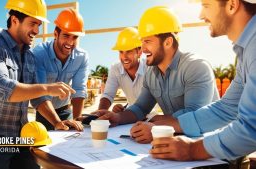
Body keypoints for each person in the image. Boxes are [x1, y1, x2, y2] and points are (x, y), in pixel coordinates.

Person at [0, 0, 83, 169]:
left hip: (21, 134)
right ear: (15, 20)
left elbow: (38, 98)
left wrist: (57, 122)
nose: (37, 31)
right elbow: (0, 88)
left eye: (38, 24)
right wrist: (48, 87)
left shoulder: (29, 56)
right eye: (33, 24)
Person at [93, 6, 219, 144]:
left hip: (211, 145)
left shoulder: (196, 67)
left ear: (168, 42)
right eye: (141, 42)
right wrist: (117, 117)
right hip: (177, 141)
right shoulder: (151, 73)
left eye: (147, 41)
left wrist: (156, 126)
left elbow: (194, 115)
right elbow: (140, 108)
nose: (142, 48)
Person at [149, 0, 256, 161]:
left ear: (232, 5)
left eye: (206, 5)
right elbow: (227, 108)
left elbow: (251, 127)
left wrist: (192, 150)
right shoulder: (247, 50)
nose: (201, 15)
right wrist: (173, 124)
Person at [32, 8, 89, 130]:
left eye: (75, 37)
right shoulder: (39, 54)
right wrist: (57, 123)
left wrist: (77, 120)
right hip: (44, 112)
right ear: (56, 34)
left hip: (65, 110)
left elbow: (78, 90)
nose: (70, 42)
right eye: (66, 35)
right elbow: (39, 95)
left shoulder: (82, 57)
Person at [97, 27, 146, 113]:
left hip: (154, 118)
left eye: (129, 51)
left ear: (139, 52)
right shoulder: (115, 68)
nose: (124, 57)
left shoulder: (149, 67)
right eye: (121, 52)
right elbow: (108, 95)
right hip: (132, 115)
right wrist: (100, 113)